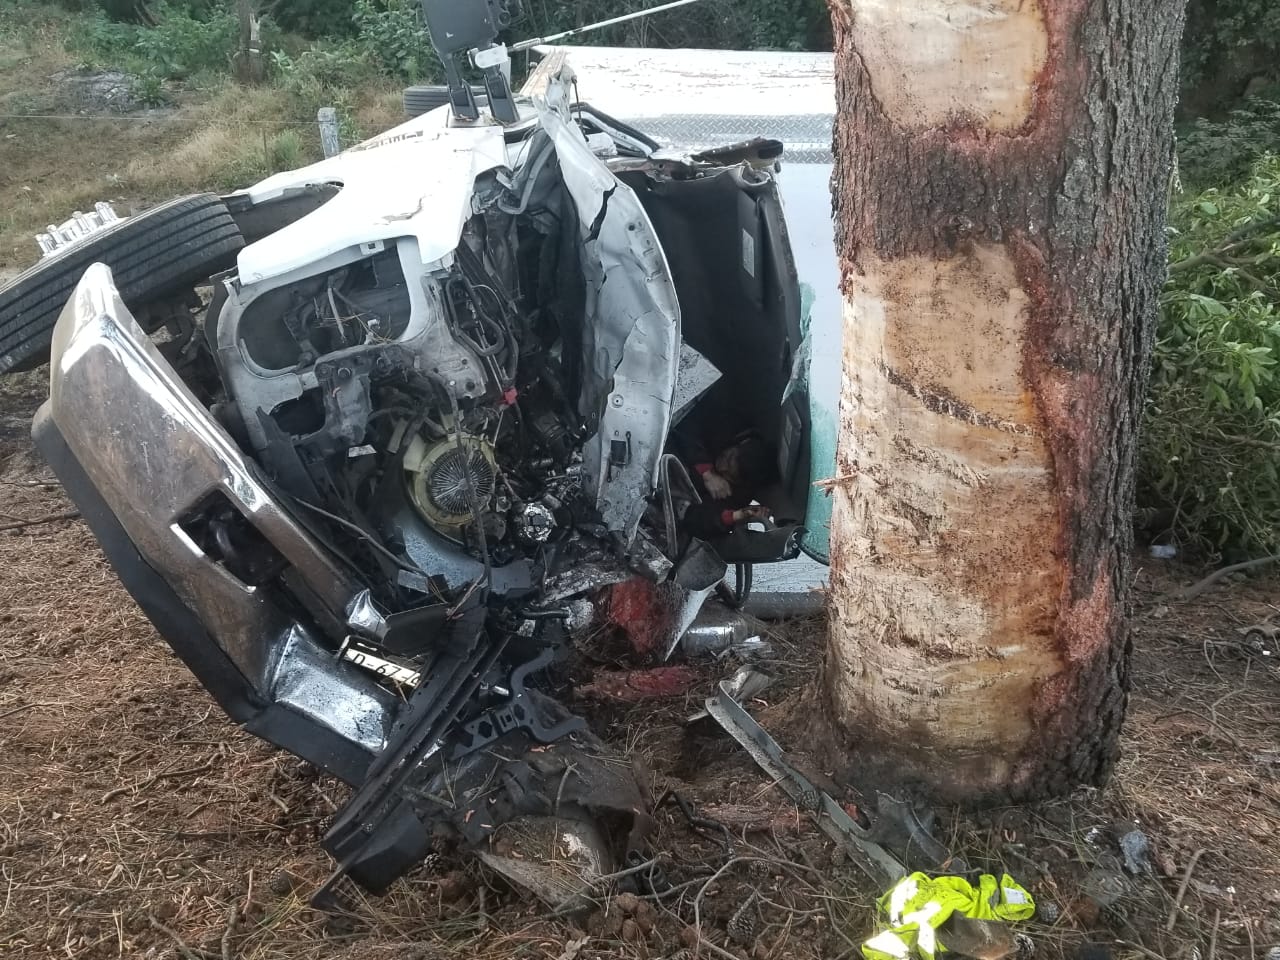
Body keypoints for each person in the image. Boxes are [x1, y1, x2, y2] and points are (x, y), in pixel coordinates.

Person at [680, 430, 777, 539]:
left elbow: (693, 521)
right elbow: (686, 428)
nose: (722, 468)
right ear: (743, 442)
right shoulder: (725, 428)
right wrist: (706, 471)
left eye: (729, 476)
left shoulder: (734, 496)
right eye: (729, 458)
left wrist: (736, 516)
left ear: (740, 484)